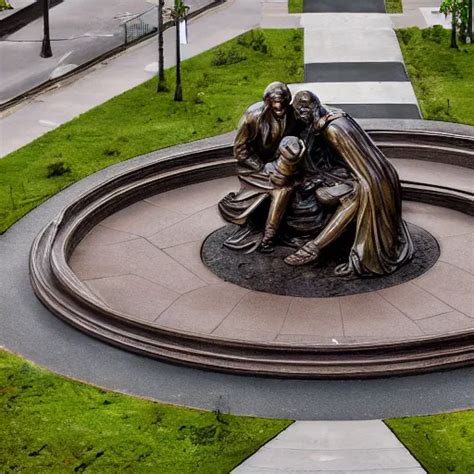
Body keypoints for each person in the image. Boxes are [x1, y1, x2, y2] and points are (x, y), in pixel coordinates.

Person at [284, 90, 414, 277]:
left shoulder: (333, 130)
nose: (298, 117)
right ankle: (313, 246)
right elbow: (349, 163)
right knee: (329, 194)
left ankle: (313, 248)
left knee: (352, 198)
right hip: (372, 174)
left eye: (298, 112)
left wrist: (350, 186)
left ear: (306, 111)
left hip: (373, 181)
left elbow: (364, 172)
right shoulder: (330, 115)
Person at [219, 82, 301, 250]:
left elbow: (297, 139)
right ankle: (268, 237)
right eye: (275, 103)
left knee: (299, 184)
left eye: (283, 103)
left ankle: (280, 230)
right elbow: (240, 151)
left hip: (282, 165)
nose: (280, 107)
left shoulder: (293, 115)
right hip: (254, 168)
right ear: (267, 102)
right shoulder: (253, 117)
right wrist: (264, 168)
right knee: (283, 189)